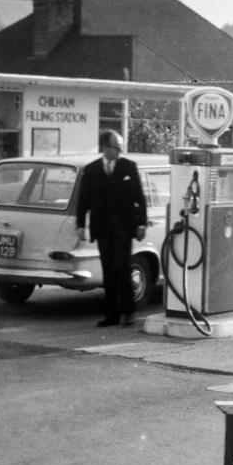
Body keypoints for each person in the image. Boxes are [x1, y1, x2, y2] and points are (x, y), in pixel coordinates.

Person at [75, 130, 146, 327]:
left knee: (120, 266)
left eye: (120, 147)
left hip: (124, 226)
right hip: (102, 227)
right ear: (105, 148)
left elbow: (139, 197)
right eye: (116, 147)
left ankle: (129, 309)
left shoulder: (128, 167)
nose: (119, 151)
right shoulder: (91, 170)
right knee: (108, 269)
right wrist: (80, 224)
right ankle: (111, 315)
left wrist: (141, 223)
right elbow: (84, 200)